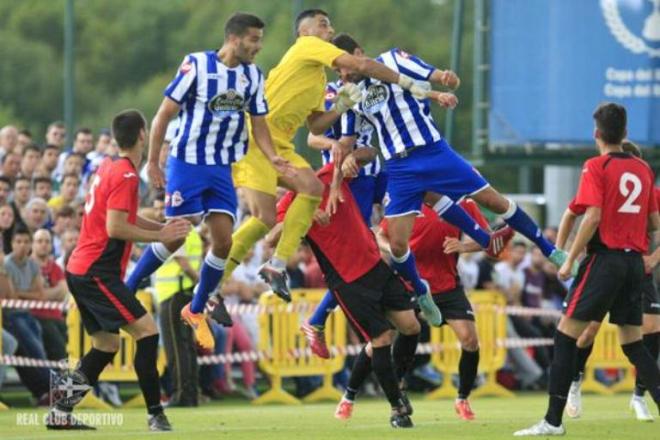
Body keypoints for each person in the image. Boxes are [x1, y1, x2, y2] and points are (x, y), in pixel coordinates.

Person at [330, 33, 569, 327]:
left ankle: (550, 250)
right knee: (398, 244)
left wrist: (444, 78)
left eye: (344, 64)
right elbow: (349, 140)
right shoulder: (349, 94)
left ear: (358, 52)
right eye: (336, 70)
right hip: (400, 168)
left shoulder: (392, 60)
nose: (342, 73)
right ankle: (422, 291)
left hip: (434, 152)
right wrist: (347, 155)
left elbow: (428, 73)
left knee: (494, 200)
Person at [220, 8, 436, 302]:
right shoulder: (307, 46)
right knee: (262, 219)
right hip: (257, 138)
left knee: (308, 191)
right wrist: (409, 83)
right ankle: (212, 284)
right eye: (324, 25)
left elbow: (316, 125)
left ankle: (275, 265)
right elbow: (362, 64)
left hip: (280, 143)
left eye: (330, 26)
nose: (330, 31)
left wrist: (341, 106)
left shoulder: (318, 78)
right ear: (304, 32)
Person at [125, 13, 293, 350]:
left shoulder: (252, 76)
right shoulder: (197, 65)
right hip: (188, 163)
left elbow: (259, 122)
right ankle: (125, 290)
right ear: (234, 39)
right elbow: (163, 116)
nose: (258, 47)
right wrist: (155, 161)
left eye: (260, 40)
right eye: (254, 40)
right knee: (176, 235)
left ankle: (197, 309)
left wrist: (272, 156)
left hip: (222, 168)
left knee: (223, 242)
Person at [514, 103, 660, 436]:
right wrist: (652, 259)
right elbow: (655, 224)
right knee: (634, 345)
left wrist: (568, 260)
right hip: (634, 264)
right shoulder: (643, 168)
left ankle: (552, 421)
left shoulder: (596, 165)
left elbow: (591, 217)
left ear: (596, 134)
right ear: (624, 133)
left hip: (605, 260)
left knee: (566, 335)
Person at [51, 109, 190, 431]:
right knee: (148, 333)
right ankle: (156, 414)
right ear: (143, 134)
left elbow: (122, 218)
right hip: (96, 271)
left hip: (81, 268)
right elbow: (116, 227)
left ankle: (60, 411)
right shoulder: (127, 175)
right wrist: (160, 235)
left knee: (107, 345)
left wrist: (160, 227)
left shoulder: (110, 166)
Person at [269, 158, 421, 428]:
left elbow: (366, 151)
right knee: (382, 338)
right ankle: (397, 408)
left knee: (411, 327)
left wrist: (352, 158)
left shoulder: (328, 175)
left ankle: (395, 382)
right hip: (348, 280)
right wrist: (302, 216)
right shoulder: (291, 203)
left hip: (376, 266)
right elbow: (271, 238)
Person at [559, 141, 660, 422]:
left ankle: (639, 396)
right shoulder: (602, 182)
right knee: (588, 332)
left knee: (651, 331)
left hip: (637, 270)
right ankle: (575, 382)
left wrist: (653, 259)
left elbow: (657, 225)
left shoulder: (650, 192)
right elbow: (575, 213)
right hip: (607, 265)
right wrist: (563, 252)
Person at [377, 199, 489, 420]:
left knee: (470, 340)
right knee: (390, 336)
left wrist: (464, 246)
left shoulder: (463, 202)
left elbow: (488, 239)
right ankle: (396, 390)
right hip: (409, 283)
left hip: (447, 286)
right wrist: (394, 250)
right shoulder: (408, 199)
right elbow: (381, 235)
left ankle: (463, 398)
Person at [3, 226, 51, 404]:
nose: (22, 245)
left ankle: (44, 393)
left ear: (30, 244)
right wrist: (28, 293)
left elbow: (41, 295)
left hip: (27, 314)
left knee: (37, 351)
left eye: (25, 241)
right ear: (12, 243)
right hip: (11, 316)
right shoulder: (6, 263)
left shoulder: (32, 264)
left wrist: (21, 293)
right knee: (35, 352)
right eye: (18, 241)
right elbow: (11, 297)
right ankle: (54, 389)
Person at [30, 229, 68, 361]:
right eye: (39, 241)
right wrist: (53, 291)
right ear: (32, 244)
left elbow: (63, 293)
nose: (44, 244)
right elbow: (33, 294)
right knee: (59, 348)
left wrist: (43, 293)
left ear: (52, 245)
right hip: (35, 316)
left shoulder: (56, 267)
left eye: (47, 241)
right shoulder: (26, 266)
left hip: (57, 317)